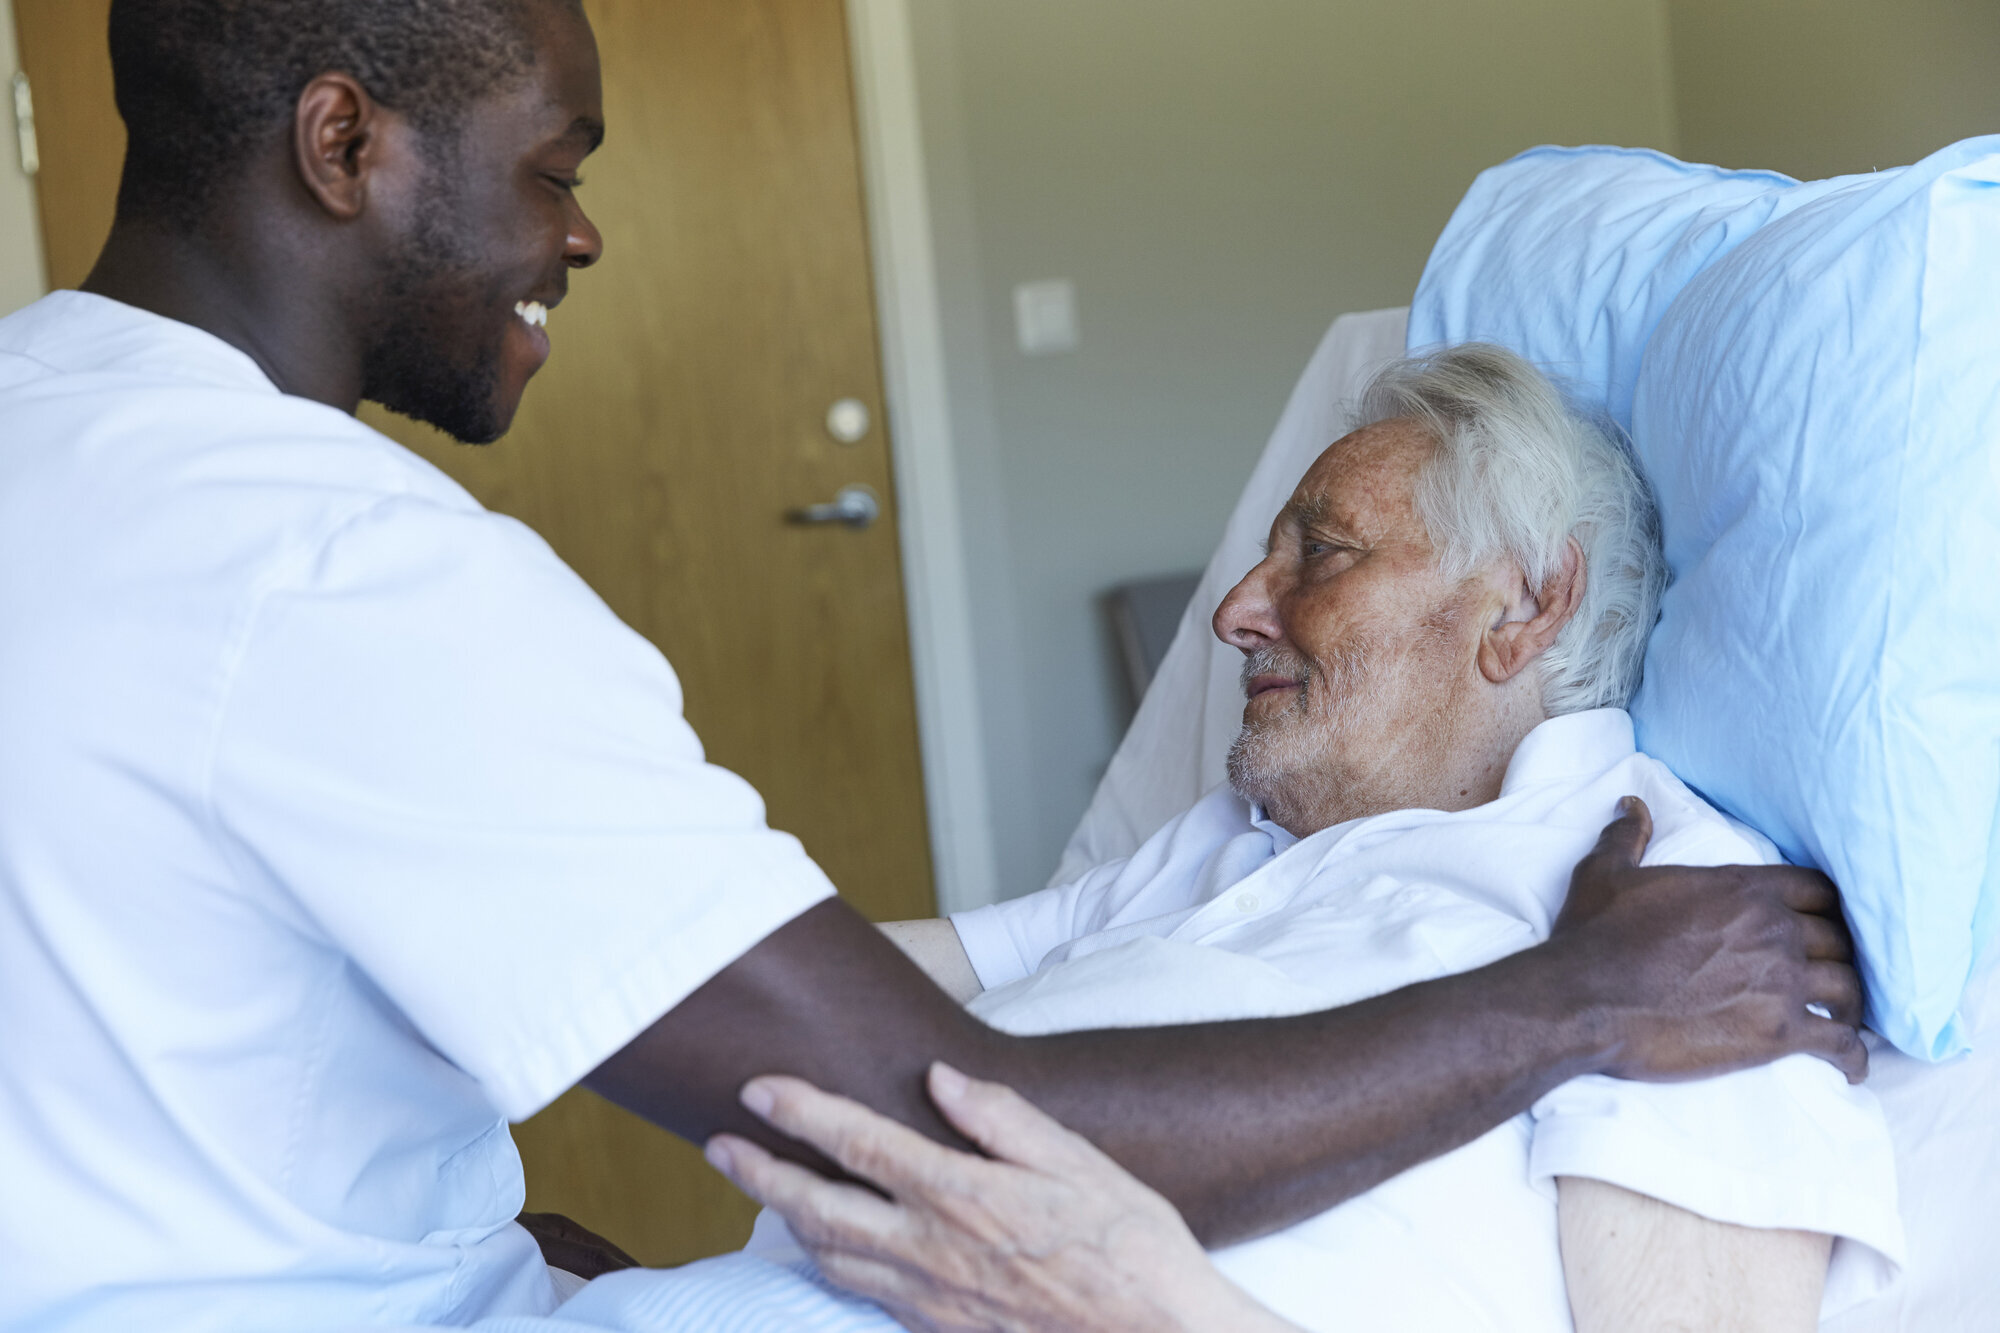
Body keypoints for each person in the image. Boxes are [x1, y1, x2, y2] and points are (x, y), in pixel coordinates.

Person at [0, 2, 1866, 1330]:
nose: (578, 230)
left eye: (1328, 549)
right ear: (344, 144)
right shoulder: (344, 575)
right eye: (552, 167)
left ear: (1525, 608)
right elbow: (901, 1091)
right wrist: (1564, 1008)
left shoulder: (1657, 889)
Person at [735, 346, 1896, 1332]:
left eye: (1322, 552)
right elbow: (826, 982)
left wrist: (1145, 1304)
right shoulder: (1232, 843)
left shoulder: (1675, 922)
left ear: (1527, 604)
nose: (1233, 609)